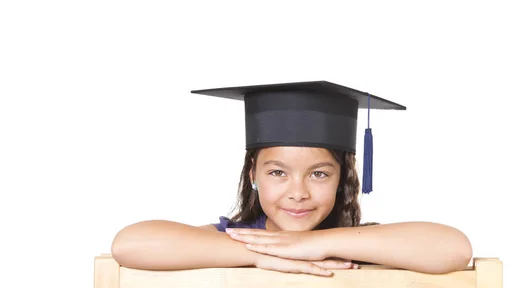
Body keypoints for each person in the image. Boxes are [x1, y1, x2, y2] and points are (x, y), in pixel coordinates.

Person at [111, 81, 472, 276]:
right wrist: (261, 256)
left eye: (318, 173)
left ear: (342, 178)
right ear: (253, 175)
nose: (297, 193)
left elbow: (453, 250)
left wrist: (318, 244)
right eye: (278, 172)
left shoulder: (363, 247)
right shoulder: (231, 239)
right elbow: (130, 245)